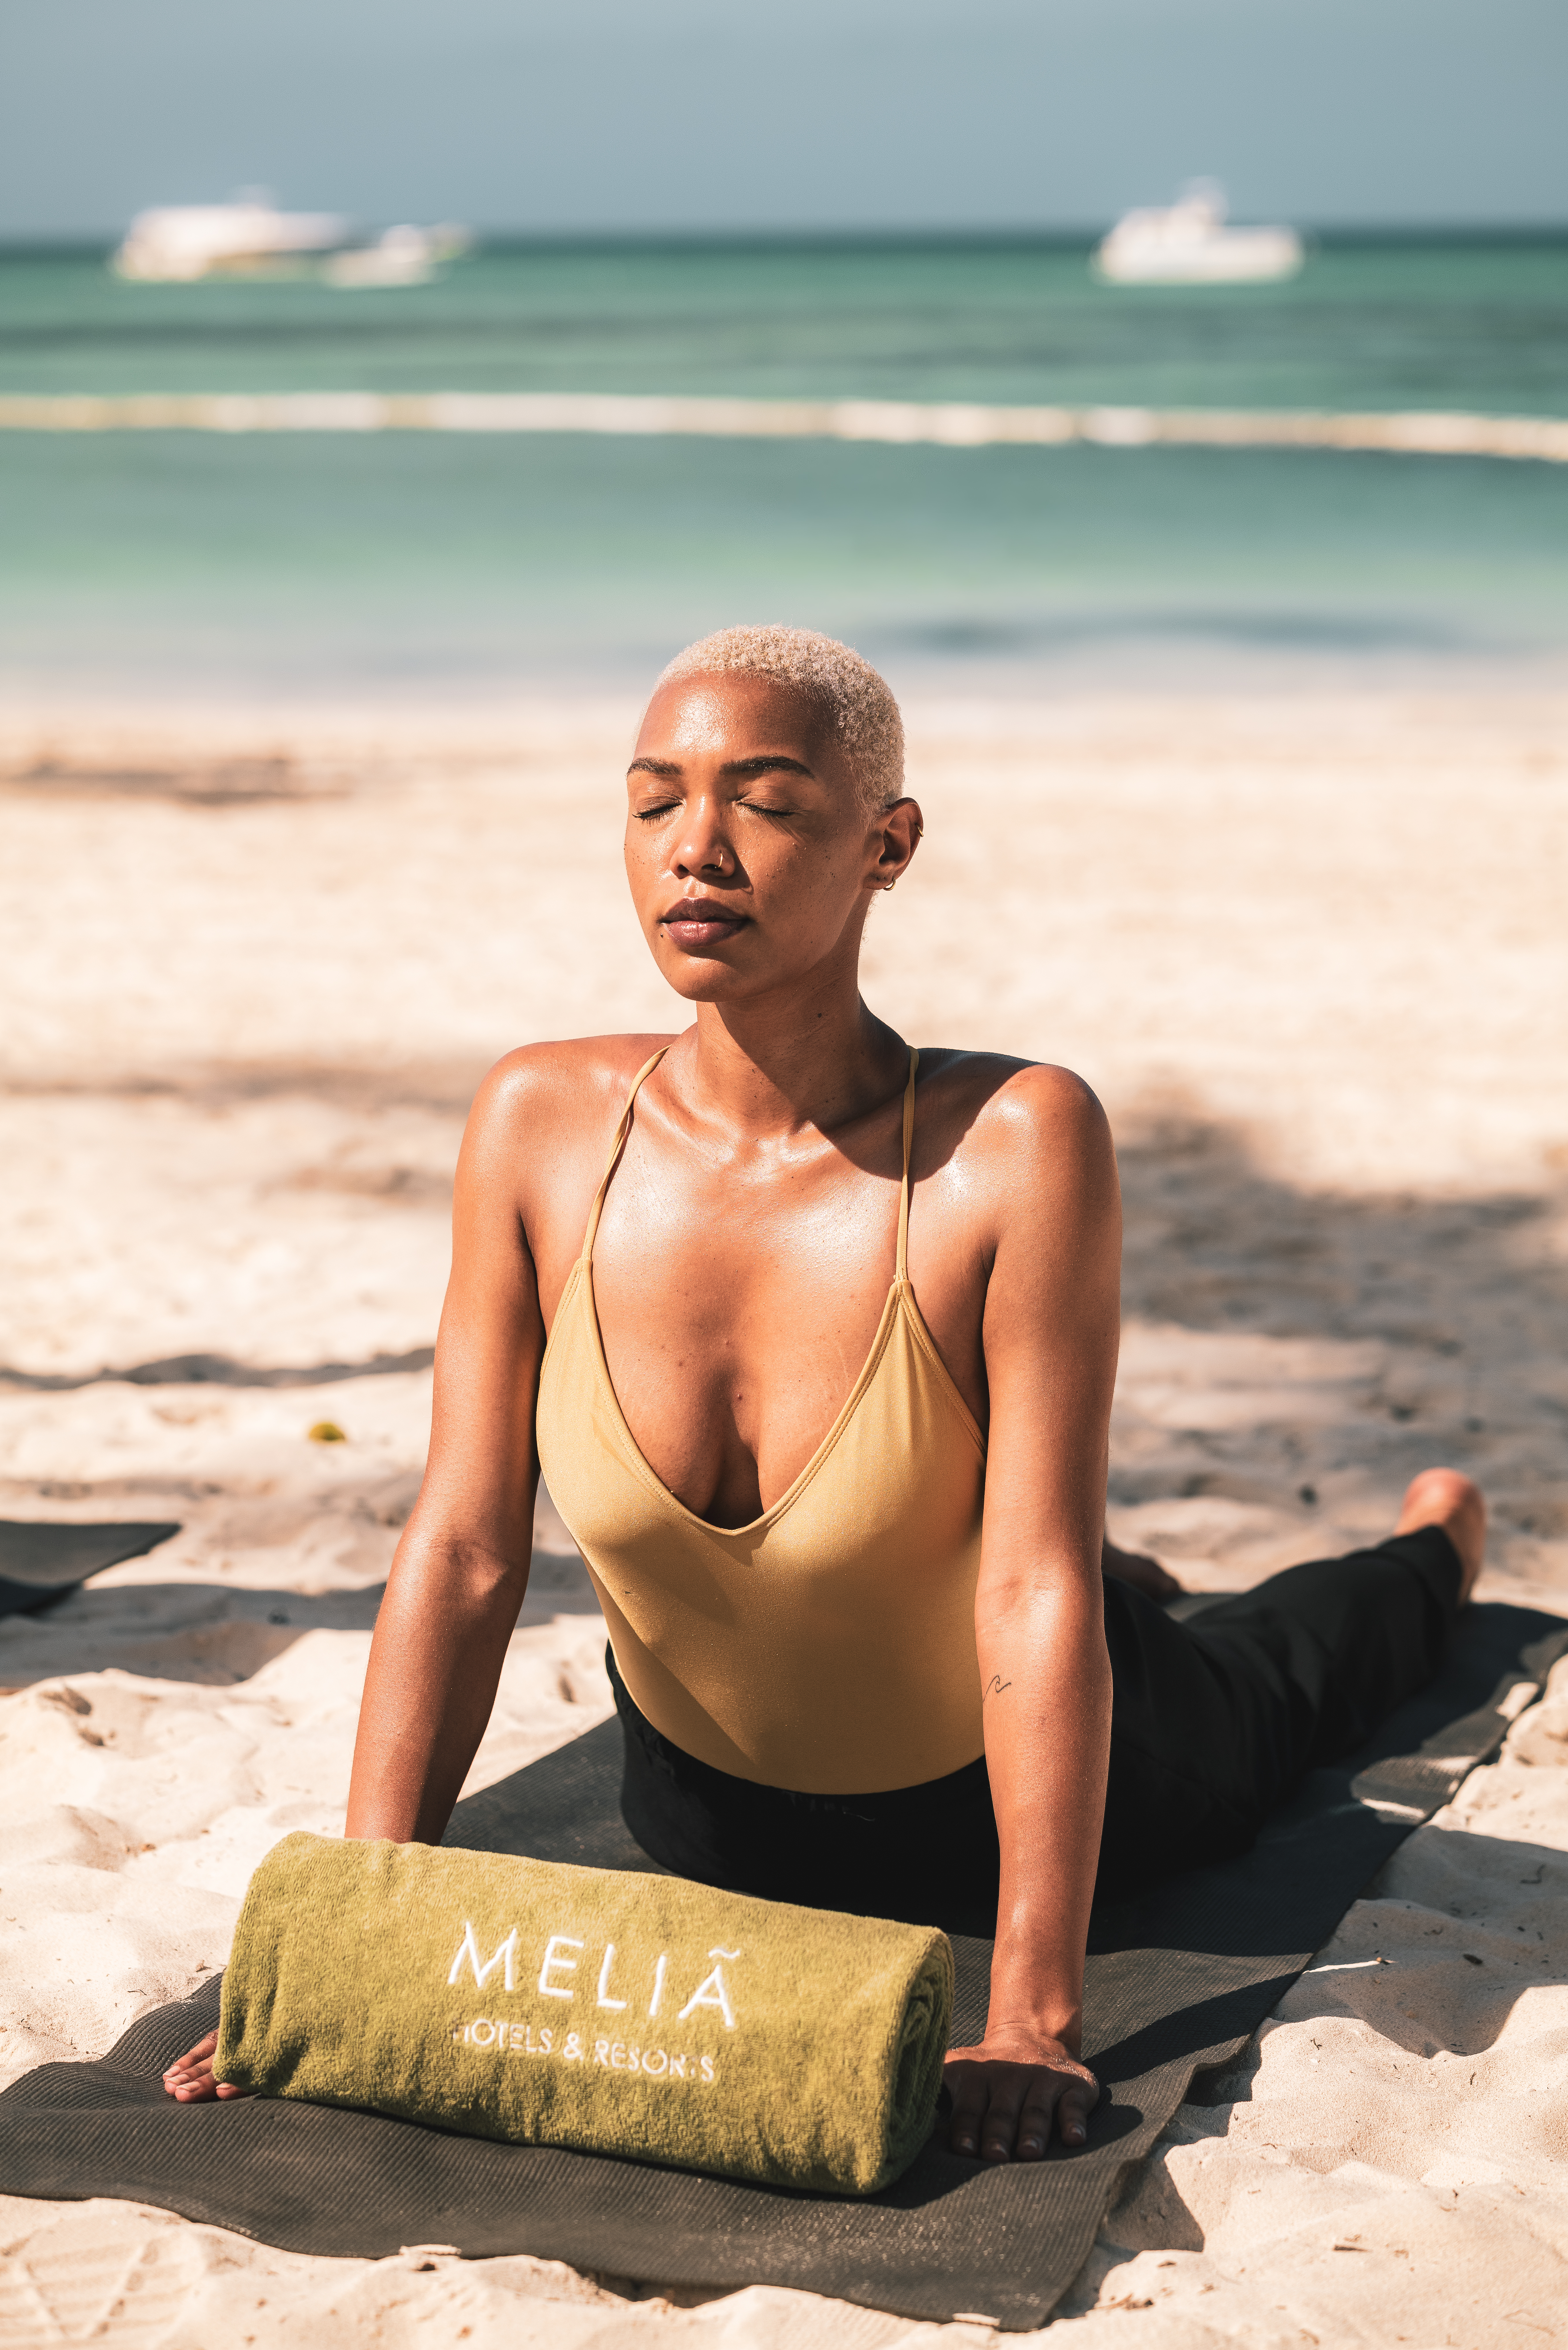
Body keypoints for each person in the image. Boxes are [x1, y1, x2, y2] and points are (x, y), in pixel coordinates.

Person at [165, 626, 1485, 2163]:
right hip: (704, 1811)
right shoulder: (535, 1122)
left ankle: (1436, 1542)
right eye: (655, 803)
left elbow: (1032, 1584)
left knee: (1282, 1674)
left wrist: (1032, 2020)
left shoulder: (1015, 1142)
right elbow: (463, 1548)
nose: (696, 850)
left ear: (887, 844)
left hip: (1011, 1787)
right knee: (1015, 1563)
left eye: (769, 804)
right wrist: (352, 1944)